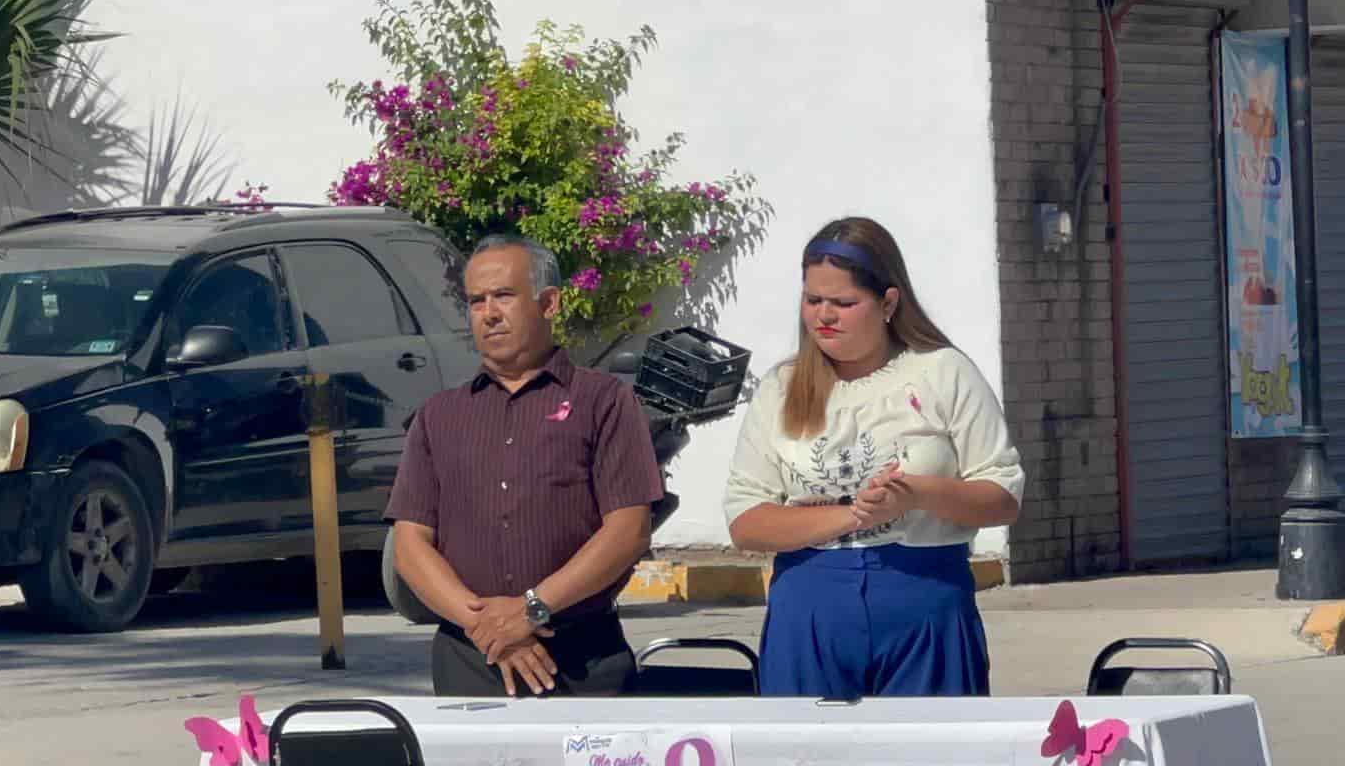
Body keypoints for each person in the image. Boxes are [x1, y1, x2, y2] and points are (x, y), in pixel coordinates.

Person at [722, 216, 1024, 697]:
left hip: (922, 595)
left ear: (887, 302)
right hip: (811, 603)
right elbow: (746, 520)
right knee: (806, 764)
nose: (824, 316)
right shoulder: (780, 389)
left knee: (930, 761)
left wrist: (915, 495)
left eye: (843, 303)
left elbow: (1002, 495)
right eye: (813, 299)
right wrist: (851, 516)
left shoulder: (942, 372)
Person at [384, 235, 663, 697]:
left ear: (549, 303)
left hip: (583, 661)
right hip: (470, 662)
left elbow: (627, 530)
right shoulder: (439, 415)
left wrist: (531, 610)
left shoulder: (604, 402)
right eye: (476, 301)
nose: (489, 313)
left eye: (504, 296)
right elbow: (411, 546)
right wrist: (490, 629)